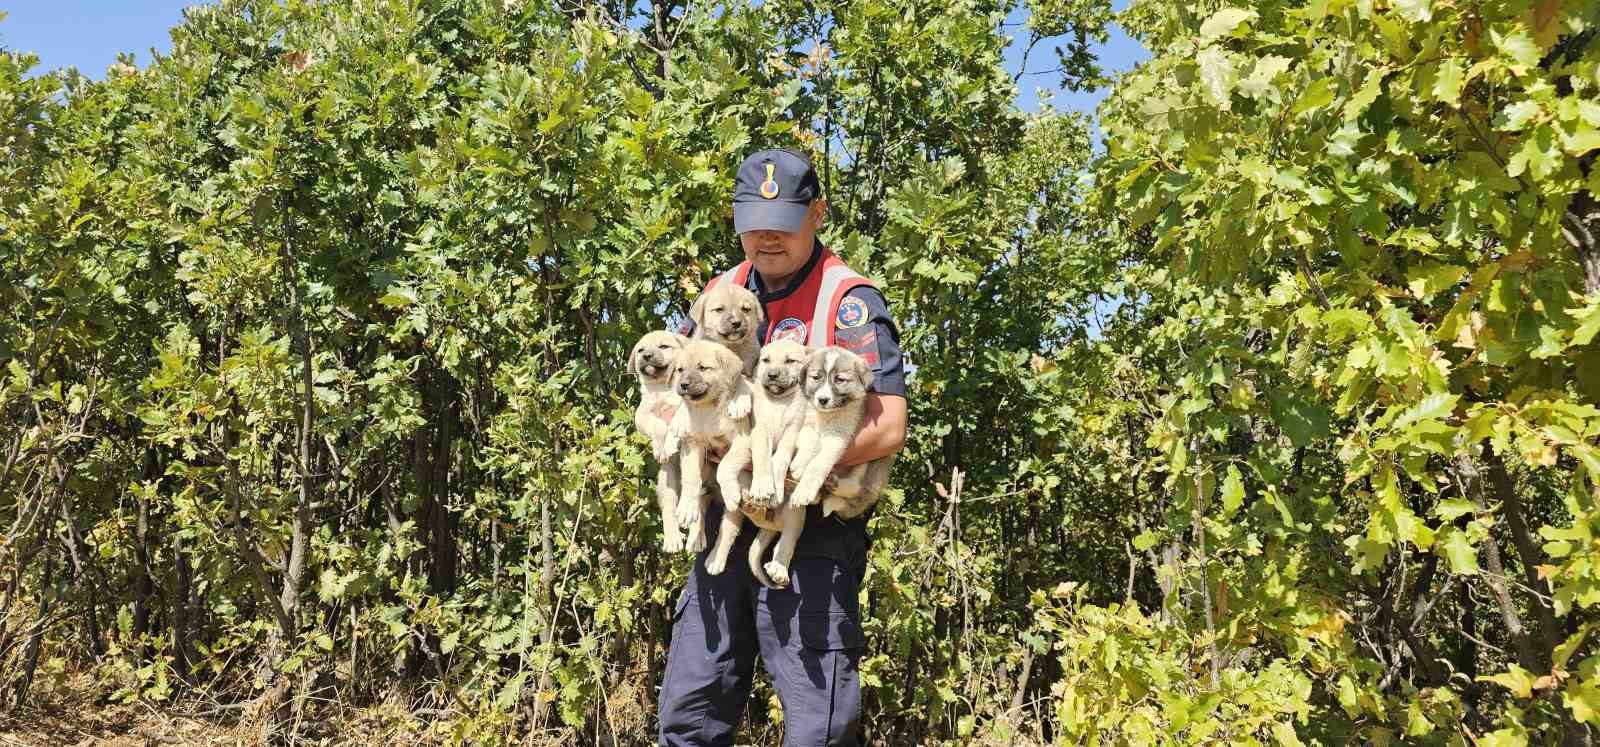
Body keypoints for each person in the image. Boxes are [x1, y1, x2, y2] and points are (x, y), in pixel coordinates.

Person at [656, 148, 908, 746]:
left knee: (816, 726)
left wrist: (784, 468)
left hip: (810, 532)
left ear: (817, 214)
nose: (766, 236)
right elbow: (676, 389)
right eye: (752, 221)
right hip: (728, 517)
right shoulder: (723, 293)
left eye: (784, 220)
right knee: (689, 714)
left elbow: (888, 426)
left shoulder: (846, 299)